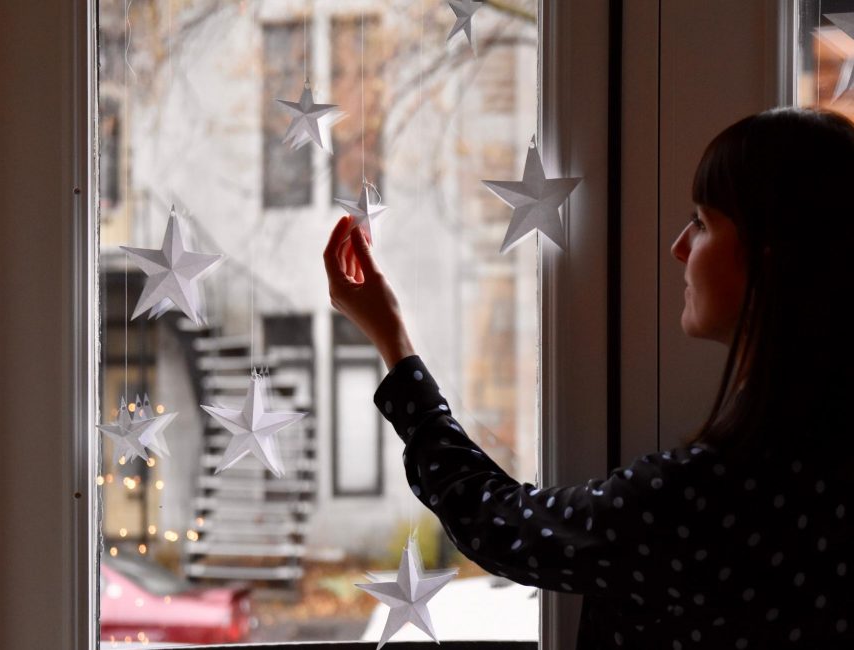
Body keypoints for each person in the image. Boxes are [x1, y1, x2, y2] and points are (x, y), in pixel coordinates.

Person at [323, 107, 854, 649]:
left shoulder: (706, 502)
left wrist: (395, 347)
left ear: (770, 258)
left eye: (702, 221)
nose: (679, 246)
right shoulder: (824, 463)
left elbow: (497, 520)